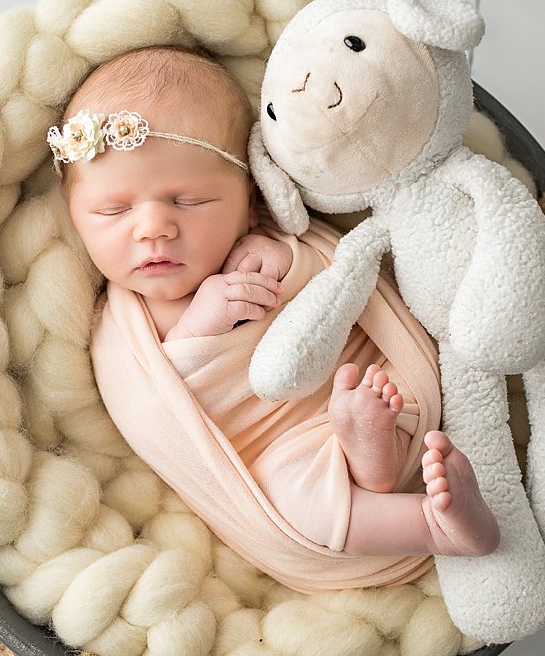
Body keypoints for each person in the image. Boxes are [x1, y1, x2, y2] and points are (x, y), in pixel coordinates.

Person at [55, 46, 498, 592]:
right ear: (74, 213)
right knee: (294, 498)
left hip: (371, 385)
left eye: (189, 201)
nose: (153, 229)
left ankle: (374, 450)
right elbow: (159, 410)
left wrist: (291, 263)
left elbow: (346, 282)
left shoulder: (266, 244)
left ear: (249, 194)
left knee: (376, 390)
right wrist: (199, 329)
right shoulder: (121, 334)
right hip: (280, 455)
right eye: (113, 211)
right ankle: (437, 524)